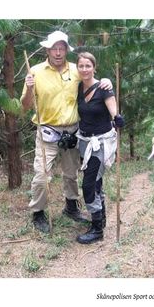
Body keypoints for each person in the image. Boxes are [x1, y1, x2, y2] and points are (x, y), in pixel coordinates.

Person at [22, 32, 112, 233]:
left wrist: (107, 81)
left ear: (66, 50)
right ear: (48, 50)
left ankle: (71, 207)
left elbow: (93, 81)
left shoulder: (76, 70)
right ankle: (38, 212)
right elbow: (26, 106)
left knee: (71, 174)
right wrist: (28, 89)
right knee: (41, 175)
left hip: (73, 132)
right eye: (54, 48)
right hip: (47, 133)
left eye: (62, 48)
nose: (58, 52)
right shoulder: (34, 72)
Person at [74, 51, 125, 244]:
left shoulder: (104, 87)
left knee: (88, 185)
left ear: (94, 68)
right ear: (77, 68)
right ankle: (101, 217)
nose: (85, 69)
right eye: (81, 66)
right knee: (95, 182)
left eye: (88, 66)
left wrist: (118, 118)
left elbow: (114, 112)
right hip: (84, 142)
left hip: (101, 143)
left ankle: (96, 229)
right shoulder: (79, 87)